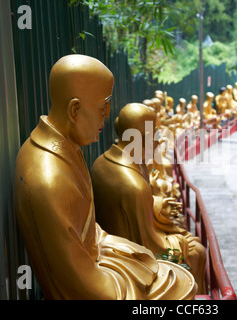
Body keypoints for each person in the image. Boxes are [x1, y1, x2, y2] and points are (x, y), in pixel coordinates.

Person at [14, 54, 197, 300]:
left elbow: (90, 233)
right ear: (74, 109)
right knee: (183, 280)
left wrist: (130, 253)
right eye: (103, 108)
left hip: (99, 261)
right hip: (94, 288)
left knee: (159, 265)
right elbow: (80, 283)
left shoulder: (66, 149)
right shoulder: (49, 178)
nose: (108, 116)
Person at [91, 103, 207, 294]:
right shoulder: (134, 186)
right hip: (132, 262)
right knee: (196, 251)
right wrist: (182, 244)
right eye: (155, 135)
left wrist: (157, 204)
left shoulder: (102, 162)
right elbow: (150, 248)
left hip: (112, 247)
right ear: (140, 138)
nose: (159, 142)